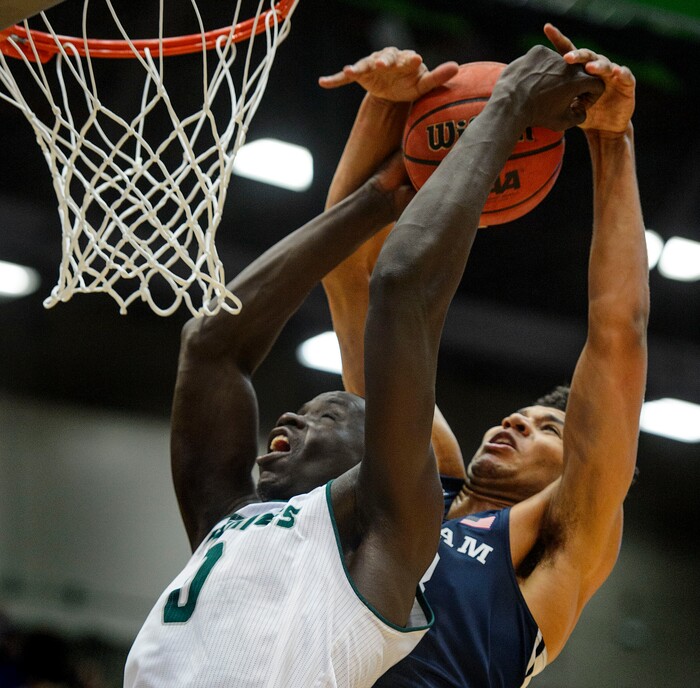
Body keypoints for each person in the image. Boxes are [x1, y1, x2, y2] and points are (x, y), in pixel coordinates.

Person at [123, 35, 601, 688]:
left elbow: (400, 292)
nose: (289, 411)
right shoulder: (231, 517)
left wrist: (511, 108)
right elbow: (218, 341)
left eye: (337, 409)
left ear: (378, 456)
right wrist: (386, 160)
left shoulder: (397, 538)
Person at [319, 24, 647, 687]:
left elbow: (619, 331)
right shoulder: (420, 477)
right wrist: (385, 107)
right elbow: (350, 282)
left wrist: (612, 141)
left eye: (548, 429)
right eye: (523, 417)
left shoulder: (560, 538)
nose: (517, 424)